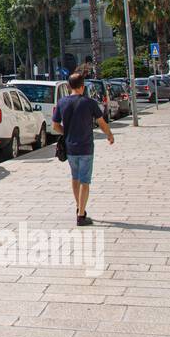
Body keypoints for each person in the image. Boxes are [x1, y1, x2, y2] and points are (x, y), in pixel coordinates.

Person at [52, 71, 115, 226]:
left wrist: (66, 133)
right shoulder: (89, 103)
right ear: (82, 86)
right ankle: (81, 215)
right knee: (85, 180)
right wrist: (109, 135)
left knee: (75, 177)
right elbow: (101, 122)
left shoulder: (62, 102)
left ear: (69, 86)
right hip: (86, 146)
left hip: (70, 147)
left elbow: (55, 125)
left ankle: (79, 207)